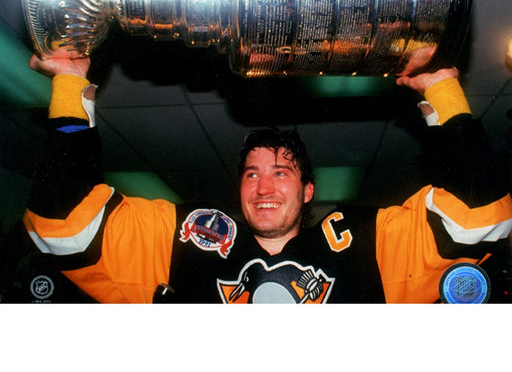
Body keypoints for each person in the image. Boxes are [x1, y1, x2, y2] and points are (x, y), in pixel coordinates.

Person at [23, 53, 512, 303]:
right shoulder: (184, 241)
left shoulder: (366, 243)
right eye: (252, 173)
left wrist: (440, 88)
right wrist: (68, 83)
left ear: (308, 190)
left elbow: (477, 219)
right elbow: (63, 225)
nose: (263, 186)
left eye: (282, 172)